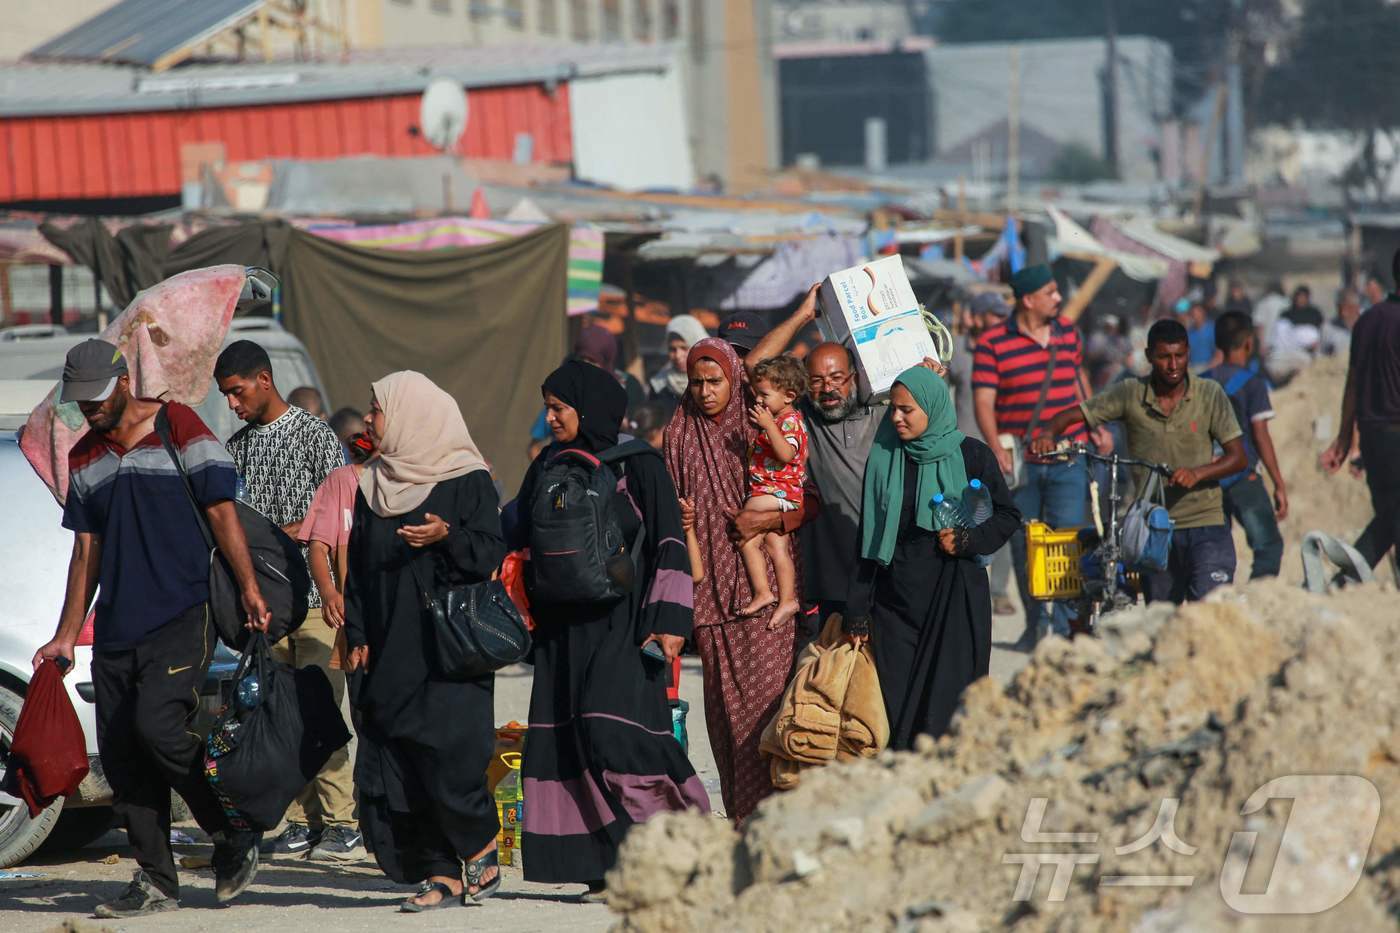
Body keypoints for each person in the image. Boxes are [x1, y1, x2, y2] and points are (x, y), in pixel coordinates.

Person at [34, 339, 269, 918]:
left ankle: (230, 831)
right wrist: (66, 634)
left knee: (158, 727)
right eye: (77, 402)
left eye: (94, 398)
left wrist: (248, 587)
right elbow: (85, 551)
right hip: (117, 623)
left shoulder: (178, 425)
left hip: (185, 610)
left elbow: (222, 511)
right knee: (119, 752)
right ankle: (156, 879)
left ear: (121, 381)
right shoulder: (85, 457)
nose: (87, 410)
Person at [510, 359, 708, 898]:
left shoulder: (638, 464)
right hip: (561, 633)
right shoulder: (550, 464)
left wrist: (669, 622)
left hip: (625, 628)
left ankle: (679, 841)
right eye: (547, 409)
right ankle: (604, 866)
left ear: (588, 408)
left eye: (558, 409)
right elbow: (513, 526)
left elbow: (669, 542)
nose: (549, 419)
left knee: (616, 733)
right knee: (570, 742)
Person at [343, 371, 506, 912]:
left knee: (452, 756)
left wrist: (447, 536)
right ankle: (441, 873)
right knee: (406, 758)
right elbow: (359, 569)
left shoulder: (468, 480)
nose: (370, 418)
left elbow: (488, 554)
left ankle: (480, 843)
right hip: (391, 644)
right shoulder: (371, 486)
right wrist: (359, 631)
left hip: (450, 647)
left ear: (411, 413)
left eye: (378, 409)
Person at [215, 340, 362, 863]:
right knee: (278, 717)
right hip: (266, 606)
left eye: (236, 391)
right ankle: (301, 821)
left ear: (264, 379)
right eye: (225, 395)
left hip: (319, 606)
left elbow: (339, 518)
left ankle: (343, 821)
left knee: (320, 710)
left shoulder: (315, 437)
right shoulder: (236, 450)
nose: (232, 403)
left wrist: (284, 543)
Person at [842, 367, 1020, 749]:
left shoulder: (972, 455)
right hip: (895, 606)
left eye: (907, 410)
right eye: (893, 409)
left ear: (932, 408)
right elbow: (869, 535)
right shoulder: (885, 457)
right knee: (896, 708)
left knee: (948, 709)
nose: (896, 418)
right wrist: (857, 609)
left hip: (954, 598)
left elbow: (1007, 516)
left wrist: (968, 539)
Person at [663, 338, 803, 823]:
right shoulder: (679, 433)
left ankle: (777, 820)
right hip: (710, 596)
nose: (705, 391)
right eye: (696, 382)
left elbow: (802, 495)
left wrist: (766, 524)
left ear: (734, 380)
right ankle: (743, 819)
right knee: (722, 719)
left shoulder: (759, 419)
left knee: (764, 713)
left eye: (715, 381)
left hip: (761, 596)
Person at [1033, 319, 1247, 603]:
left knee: (1209, 611)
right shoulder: (1130, 393)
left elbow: (1238, 457)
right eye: (1164, 357)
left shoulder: (1209, 394)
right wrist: (1048, 433)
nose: (1173, 365)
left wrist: (1198, 474)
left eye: (1179, 356)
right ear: (1148, 356)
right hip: (1152, 529)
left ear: (1188, 354)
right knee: (1160, 619)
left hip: (1206, 524)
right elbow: (1072, 415)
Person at [973, 264, 1096, 647]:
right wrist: (995, 447)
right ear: (1029, 299)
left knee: (1066, 543)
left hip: (1068, 457)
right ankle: (1035, 622)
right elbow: (984, 400)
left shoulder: (1068, 335)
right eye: (1051, 292)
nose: (1059, 299)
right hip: (1020, 464)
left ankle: (1061, 629)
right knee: (1026, 546)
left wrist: (1095, 422)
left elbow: (1079, 381)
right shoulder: (993, 342)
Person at [1322, 249, 1400, 573]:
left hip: (1371, 437)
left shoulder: (1367, 321)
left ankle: (1349, 581)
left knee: (1391, 518)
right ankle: (1348, 579)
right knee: (1392, 520)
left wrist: (1345, 439)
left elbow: (1352, 385)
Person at [1203, 312, 1288, 580]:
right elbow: (1261, 436)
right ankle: (1258, 598)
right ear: (1249, 343)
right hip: (1243, 477)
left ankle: (1214, 600)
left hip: (1207, 479)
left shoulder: (1199, 383)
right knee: (1268, 546)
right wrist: (1279, 484)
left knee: (1214, 554)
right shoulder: (1252, 385)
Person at [948, 292, 1017, 617]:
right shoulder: (957, 350)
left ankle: (1000, 591)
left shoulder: (1007, 349)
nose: (999, 323)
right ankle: (965, 587)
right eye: (992, 316)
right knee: (962, 516)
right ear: (975, 318)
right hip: (963, 451)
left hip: (998, 450)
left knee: (999, 515)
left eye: (1003, 317)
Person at [736, 355, 809, 626]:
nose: (759, 401)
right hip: (780, 493)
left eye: (764, 395)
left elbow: (786, 454)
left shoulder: (788, 421)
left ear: (789, 395)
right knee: (777, 545)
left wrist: (767, 426)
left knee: (746, 534)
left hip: (778, 491)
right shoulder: (780, 420)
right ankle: (788, 598)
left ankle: (763, 592)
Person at [574, 323, 648, 415]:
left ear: (606, 362)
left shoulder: (629, 387)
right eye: (581, 358)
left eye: (592, 360)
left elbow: (641, 422)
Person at [649, 314, 709, 415]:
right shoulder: (659, 386)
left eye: (684, 348)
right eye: (672, 349)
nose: (678, 355)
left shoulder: (716, 381)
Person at [1176, 294, 1219, 372]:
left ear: (1203, 313)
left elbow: (1219, 354)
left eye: (1198, 313)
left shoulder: (1212, 329)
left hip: (1208, 368)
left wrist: (1208, 368)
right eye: (1193, 314)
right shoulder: (1189, 332)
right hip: (1193, 368)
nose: (1195, 316)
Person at [1322, 288, 1362, 358]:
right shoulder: (1328, 327)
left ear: (1357, 307)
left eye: (1349, 307)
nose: (1344, 311)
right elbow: (1321, 352)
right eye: (1341, 306)